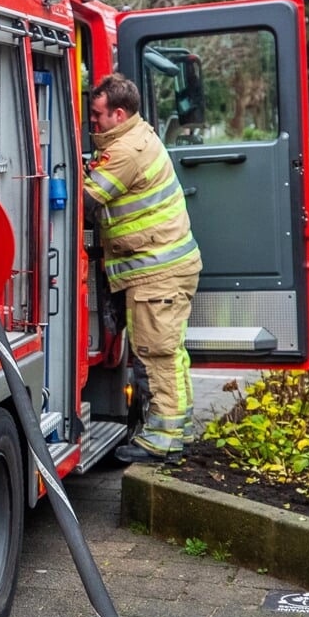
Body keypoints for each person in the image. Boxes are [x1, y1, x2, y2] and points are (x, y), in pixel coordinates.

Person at [84, 74, 203, 464]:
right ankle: (177, 428)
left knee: (156, 354)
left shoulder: (126, 151)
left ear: (119, 113)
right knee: (170, 353)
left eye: (98, 114)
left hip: (156, 272)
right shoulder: (137, 137)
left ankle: (161, 440)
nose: (92, 122)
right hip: (163, 268)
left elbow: (85, 201)